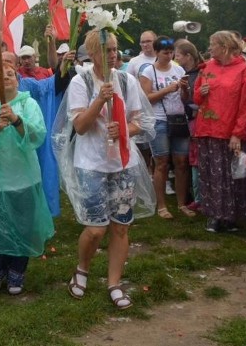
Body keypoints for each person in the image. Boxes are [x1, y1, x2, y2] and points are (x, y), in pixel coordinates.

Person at [62, 29, 154, 310]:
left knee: (121, 227)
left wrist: (125, 128)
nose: (113, 55)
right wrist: (100, 100)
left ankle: (114, 282)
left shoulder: (127, 81)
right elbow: (79, 126)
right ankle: (82, 268)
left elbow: (141, 122)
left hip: (122, 164)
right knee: (95, 229)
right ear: (93, 54)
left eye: (115, 49)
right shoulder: (81, 82)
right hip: (91, 164)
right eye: (107, 50)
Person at [0, 62, 54, 295]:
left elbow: (37, 135)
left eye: (10, 75)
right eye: (0, 75)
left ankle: (17, 271)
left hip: (23, 178)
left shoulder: (29, 104)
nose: (6, 78)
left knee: (22, 225)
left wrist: (17, 121)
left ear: (17, 80)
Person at [193, 31, 246, 233]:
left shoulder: (243, 70)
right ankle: (213, 215)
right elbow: (196, 98)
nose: (209, 48)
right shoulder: (207, 67)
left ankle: (230, 217)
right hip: (207, 128)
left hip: (229, 131)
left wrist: (238, 133)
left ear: (224, 46)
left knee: (231, 175)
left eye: (213, 45)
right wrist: (200, 94)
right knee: (210, 174)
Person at [138, 36, 192, 219]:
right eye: (165, 53)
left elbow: (185, 100)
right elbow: (145, 98)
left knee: (182, 162)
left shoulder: (178, 69)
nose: (169, 56)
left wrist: (184, 90)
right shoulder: (148, 71)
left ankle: (181, 203)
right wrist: (167, 89)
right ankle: (161, 205)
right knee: (161, 163)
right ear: (156, 53)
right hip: (159, 120)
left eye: (171, 53)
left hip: (178, 118)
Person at [174, 39, 204, 212]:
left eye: (178, 55)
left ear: (188, 56)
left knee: (197, 159)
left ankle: (200, 196)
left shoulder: (201, 72)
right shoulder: (183, 74)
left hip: (199, 120)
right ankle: (196, 195)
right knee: (191, 159)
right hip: (188, 121)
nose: (175, 59)